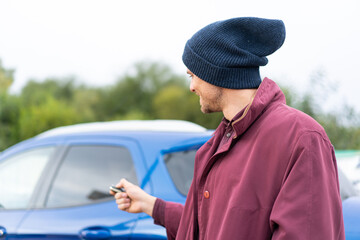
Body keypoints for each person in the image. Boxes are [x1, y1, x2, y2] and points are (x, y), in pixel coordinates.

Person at [110, 17, 345, 239]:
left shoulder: (300, 137)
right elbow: (214, 228)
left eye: (192, 75)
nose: (191, 87)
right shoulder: (216, 145)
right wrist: (151, 205)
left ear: (216, 72)